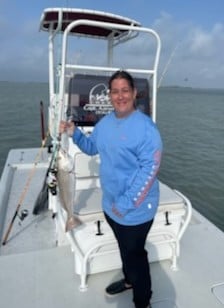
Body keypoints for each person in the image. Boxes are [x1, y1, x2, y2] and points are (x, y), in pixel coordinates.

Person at [60, 70, 163, 308]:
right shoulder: (105, 123)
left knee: (136, 257)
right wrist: (73, 132)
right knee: (125, 250)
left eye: (125, 90)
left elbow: (149, 171)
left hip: (135, 211)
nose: (120, 96)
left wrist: (124, 206)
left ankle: (142, 301)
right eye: (115, 91)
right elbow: (91, 147)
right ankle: (129, 281)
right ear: (109, 95)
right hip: (111, 206)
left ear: (134, 93)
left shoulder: (147, 129)